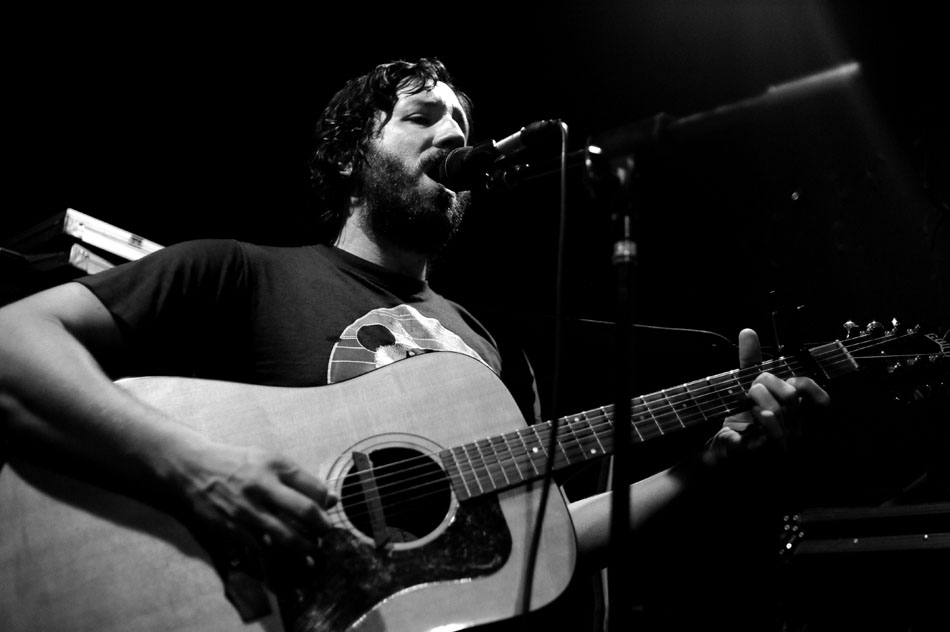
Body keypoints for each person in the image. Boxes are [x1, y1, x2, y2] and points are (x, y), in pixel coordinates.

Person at [0, 57, 828, 631]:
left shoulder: (493, 351)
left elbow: (539, 539)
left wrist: (704, 472)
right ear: (353, 158)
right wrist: (197, 470)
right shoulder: (240, 274)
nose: (452, 133)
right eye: (423, 116)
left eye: (463, 122)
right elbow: (15, 342)